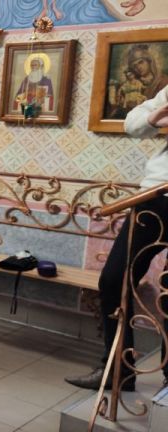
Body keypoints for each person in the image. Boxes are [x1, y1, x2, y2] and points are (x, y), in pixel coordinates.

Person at [65, 83, 168, 393]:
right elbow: (132, 124)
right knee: (114, 280)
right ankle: (118, 371)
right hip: (154, 198)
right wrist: (154, 117)